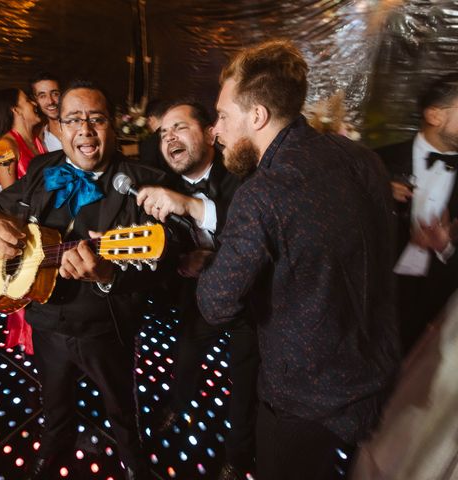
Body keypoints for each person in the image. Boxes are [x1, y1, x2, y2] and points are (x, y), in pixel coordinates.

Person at [196, 40, 401, 480]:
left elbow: (214, 306)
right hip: (374, 373)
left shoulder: (262, 195)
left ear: (257, 116)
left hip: (302, 402)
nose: (215, 130)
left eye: (223, 116)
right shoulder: (360, 157)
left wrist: (210, 265)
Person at [0, 80, 168, 480]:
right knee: (54, 400)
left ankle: (133, 457)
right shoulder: (42, 170)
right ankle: (54, 447)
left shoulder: (145, 182)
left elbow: (164, 265)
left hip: (105, 327)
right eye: (74, 119)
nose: (85, 130)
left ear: (113, 126)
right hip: (44, 320)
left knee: (120, 404)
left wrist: (108, 274)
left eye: (97, 119)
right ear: (59, 127)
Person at [135, 100, 257, 479]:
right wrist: (178, 262)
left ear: (209, 133)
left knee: (246, 379)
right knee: (186, 353)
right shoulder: (159, 186)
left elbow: (253, 230)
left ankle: (238, 456)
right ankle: (176, 404)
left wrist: (190, 205)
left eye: (179, 128)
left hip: (249, 300)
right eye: (163, 133)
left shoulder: (243, 172)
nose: (169, 137)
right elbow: (161, 246)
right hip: (198, 298)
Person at [376, 72, 458, 354]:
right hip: (375, 300)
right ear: (435, 116)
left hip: (438, 312)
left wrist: (445, 246)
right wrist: (375, 196)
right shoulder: (377, 162)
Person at [0, 87, 47, 353]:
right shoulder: (5, 146)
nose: (34, 103)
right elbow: (10, 202)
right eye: (28, 100)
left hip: (46, 227)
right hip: (26, 233)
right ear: (15, 109)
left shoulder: (37, 141)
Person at [29, 72, 62, 152]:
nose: (50, 101)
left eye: (55, 94)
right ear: (35, 100)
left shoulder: (81, 127)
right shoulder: (39, 139)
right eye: (42, 96)